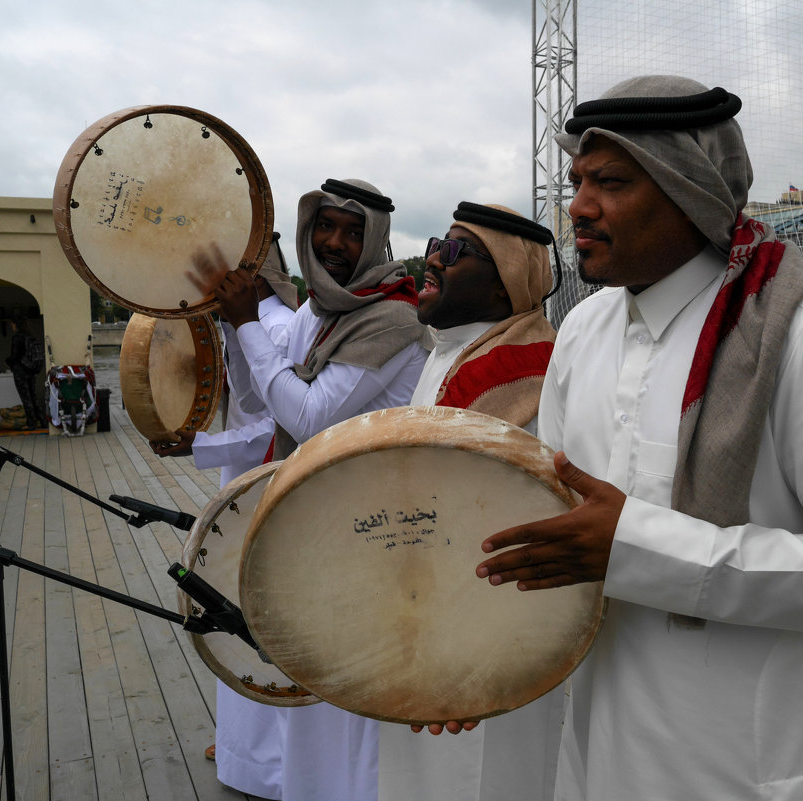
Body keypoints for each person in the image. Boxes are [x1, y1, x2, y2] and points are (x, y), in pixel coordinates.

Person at [473, 76, 803, 800]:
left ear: (692, 190)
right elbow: (556, 529)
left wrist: (639, 547)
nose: (578, 206)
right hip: (596, 754)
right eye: (577, 181)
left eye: (611, 181)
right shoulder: (584, 332)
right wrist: (472, 667)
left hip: (751, 766)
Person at [192, 177, 430, 801]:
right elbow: (256, 401)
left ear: (377, 241)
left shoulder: (392, 318)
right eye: (325, 227)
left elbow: (311, 418)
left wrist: (248, 322)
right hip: (315, 526)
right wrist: (234, 328)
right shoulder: (316, 314)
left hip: (367, 532)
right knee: (309, 693)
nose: (335, 243)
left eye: (354, 233)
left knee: (347, 704)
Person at [378, 203, 561, 801]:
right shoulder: (443, 352)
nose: (433, 258)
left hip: (490, 635)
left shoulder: (532, 374)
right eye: (437, 242)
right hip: (426, 617)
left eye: (457, 251)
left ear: (506, 278)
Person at [150, 239, 298, 799]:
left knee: (256, 612)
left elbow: (277, 427)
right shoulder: (240, 324)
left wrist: (202, 445)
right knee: (229, 604)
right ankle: (242, 743)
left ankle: (271, 758)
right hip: (237, 482)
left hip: (266, 485)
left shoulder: (279, 328)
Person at [5, 316, 43, 429]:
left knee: (26, 398)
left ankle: (31, 424)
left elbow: (15, 356)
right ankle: (43, 421)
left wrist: (7, 361)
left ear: (16, 324)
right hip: (31, 371)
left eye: (12, 324)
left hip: (20, 372)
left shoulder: (17, 338)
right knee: (33, 397)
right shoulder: (30, 337)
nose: (11, 326)